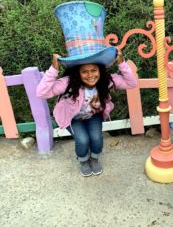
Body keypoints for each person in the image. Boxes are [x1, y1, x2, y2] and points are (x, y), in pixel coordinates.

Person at [36, 49, 137, 177]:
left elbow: (131, 83)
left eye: (94, 70)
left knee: (96, 138)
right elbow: (41, 93)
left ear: (100, 70)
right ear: (78, 73)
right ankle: (83, 160)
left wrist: (121, 63)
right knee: (83, 140)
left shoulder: (107, 81)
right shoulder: (68, 83)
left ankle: (94, 159)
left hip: (93, 115)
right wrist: (53, 69)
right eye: (84, 71)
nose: (90, 75)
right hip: (73, 118)